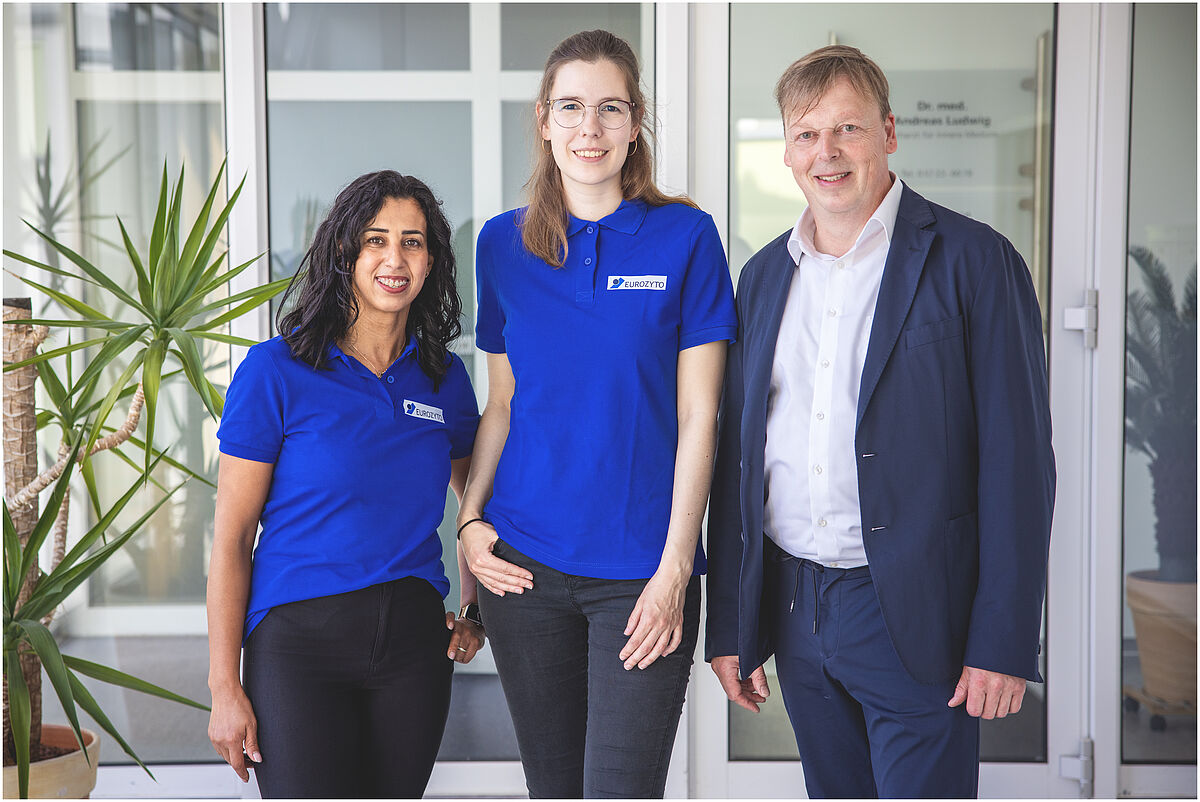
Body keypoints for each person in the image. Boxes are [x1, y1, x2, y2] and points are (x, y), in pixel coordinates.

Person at [705, 45, 1055, 798]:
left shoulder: (975, 260)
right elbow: (739, 458)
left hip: (916, 608)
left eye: (847, 130)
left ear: (889, 132)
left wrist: (1003, 639)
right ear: (786, 148)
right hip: (797, 604)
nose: (825, 154)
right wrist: (733, 625)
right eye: (805, 134)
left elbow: (1018, 462)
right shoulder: (764, 275)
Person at [456, 29, 737, 799]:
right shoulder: (501, 245)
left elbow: (699, 416)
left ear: (636, 121)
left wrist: (676, 566)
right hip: (523, 570)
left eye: (611, 108)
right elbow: (503, 404)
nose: (590, 129)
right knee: (554, 789)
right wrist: (471, 524)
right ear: (544, 120)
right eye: (572, 108)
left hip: (641, 572)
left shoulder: (685, 237)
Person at [206, 170, 483, 798]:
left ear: (432, 261)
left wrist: (474, 608)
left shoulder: (443, 381)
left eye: (412, 242)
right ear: (345, 253)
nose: (394, 259)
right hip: (298, 645)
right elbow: (231, 540)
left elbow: (476, 504)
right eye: (375, 240)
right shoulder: (276, 371)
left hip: (414, 644)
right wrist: (225, 685)